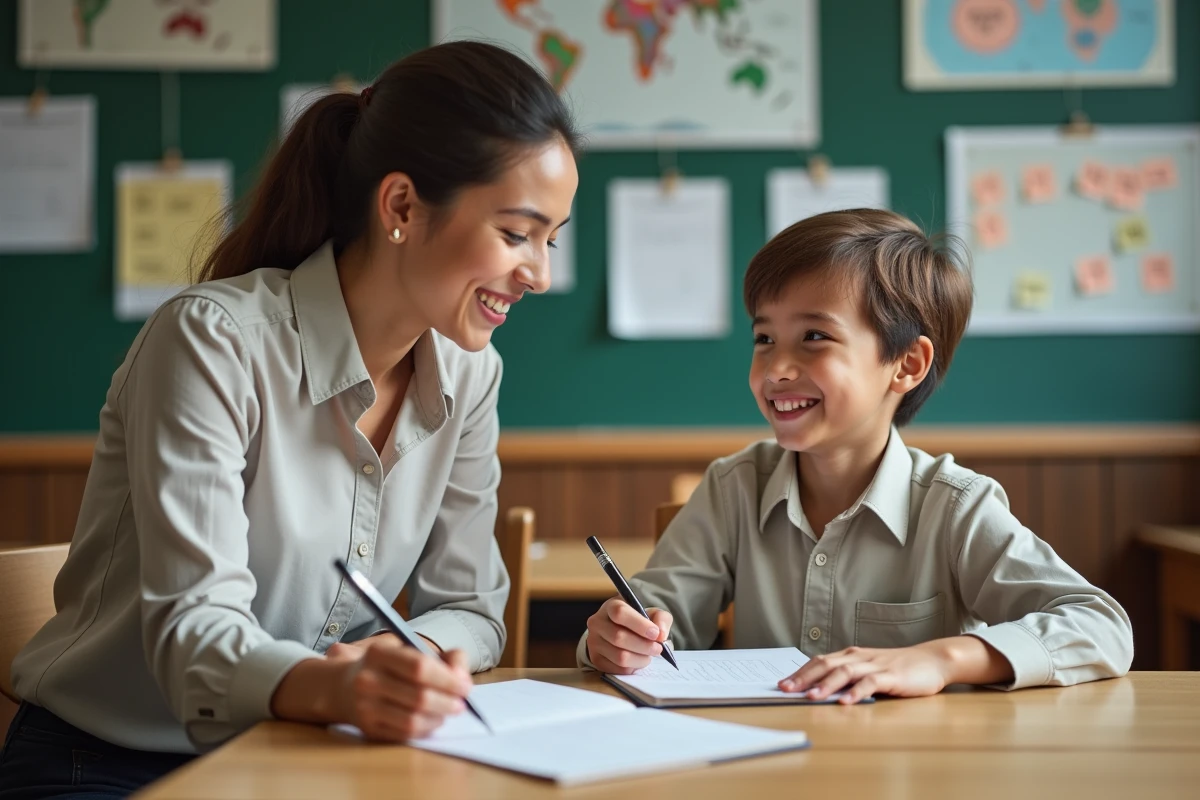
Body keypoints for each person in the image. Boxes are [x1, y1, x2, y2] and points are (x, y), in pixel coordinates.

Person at [0, 40, 579, 799]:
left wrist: (409, 663)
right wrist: (339, 687)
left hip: (313, 756)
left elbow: (470, 609)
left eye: (551, 240)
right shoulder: (212, 340)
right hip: (112, 767)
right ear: (401, 206)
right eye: (516, 234)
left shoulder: (472, 374)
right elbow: (192, 637)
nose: (539, 273)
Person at [580, 209, 1133, 703]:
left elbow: (1101, 625)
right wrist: (618, 639)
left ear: (907, 365)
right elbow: (653, 625)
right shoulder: (733, 488)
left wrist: (939, 658)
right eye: (764, 339)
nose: (776, 370)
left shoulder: (955, 506)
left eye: (815, 337)